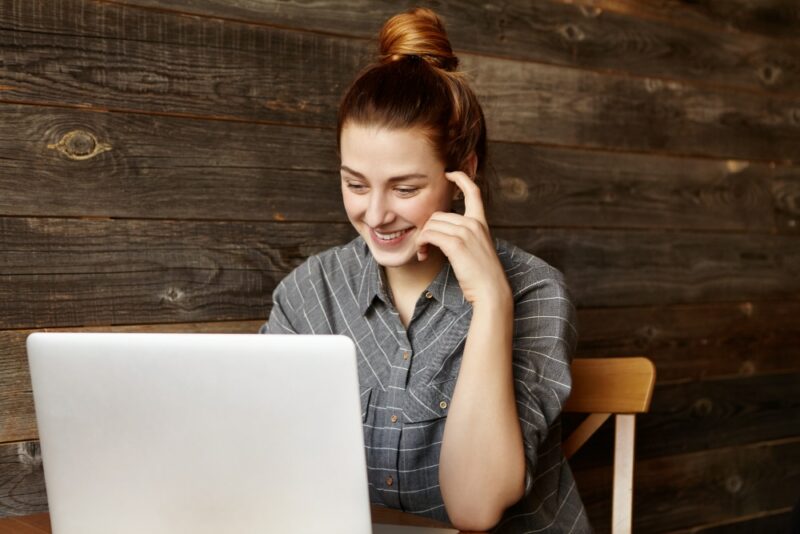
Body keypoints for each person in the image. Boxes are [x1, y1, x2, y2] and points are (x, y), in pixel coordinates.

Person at [260, 7, 591, 533]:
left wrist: (491, 299)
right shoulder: (308, 293)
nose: (375, 215)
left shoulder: (534, 290)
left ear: (464, 174)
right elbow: (263, 465)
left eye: (406, 188)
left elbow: (475, 508)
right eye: (355, 184)